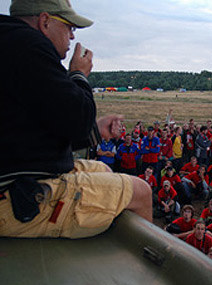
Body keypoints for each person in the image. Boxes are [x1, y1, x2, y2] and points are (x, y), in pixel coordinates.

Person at [0, 0, 152, 238]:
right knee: (142, 192)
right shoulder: (30, 47)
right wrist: (79, 74)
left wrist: (93, 132)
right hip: (15, 200)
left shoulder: (10, 44)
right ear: (45, 21)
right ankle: (138, 274)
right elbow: (77, 117)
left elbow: (27, 138)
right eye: (69, 27)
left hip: (17, 178)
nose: (72, 37)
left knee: (102, 168)